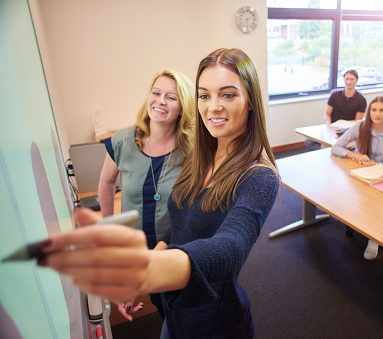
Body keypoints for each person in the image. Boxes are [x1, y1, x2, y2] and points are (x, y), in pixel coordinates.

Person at [37, 48, 280, 338]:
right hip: (174, 309)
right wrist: (149, 273)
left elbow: (231, 249)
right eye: (204, 95)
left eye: (227, 95)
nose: (213, 106)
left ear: (250, 101)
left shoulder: (259, 177)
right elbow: (178, 230)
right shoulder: (200, 157)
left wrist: (147, 272)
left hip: (213, 323)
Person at [98, 68, 195, 321]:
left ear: (182, 107)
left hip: (174, 247)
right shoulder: (123, 141)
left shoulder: (191, 150)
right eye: (156, 93)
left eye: (171, 97)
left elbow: (192, 207)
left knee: (180, 308)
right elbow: (106, 182)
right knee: (160, 305)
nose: (161, 101)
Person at [331, 96, 383, 260]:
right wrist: (355, 155)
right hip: (360, 176)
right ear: (369, 111)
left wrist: (374, 163)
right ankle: (373, 238)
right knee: (364, 203)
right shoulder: (361, 126)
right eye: (374, 109)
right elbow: (335, 147)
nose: (377, 114)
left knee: (380, 205)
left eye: (382, 110)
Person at [305, 69, 367, 151]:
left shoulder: (361, 100)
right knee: (308, 141)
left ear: (356, 80)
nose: (349, 82)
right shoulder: (335, 96)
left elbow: (357, 120)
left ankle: (332, 152)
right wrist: (328, 125)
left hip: (347, 130)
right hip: (332, 126)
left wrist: (345, 129)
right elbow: (327, 114)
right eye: (347, 79)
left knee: (333, 145)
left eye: (352, 79)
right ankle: (324, 153)